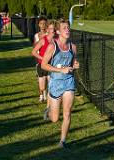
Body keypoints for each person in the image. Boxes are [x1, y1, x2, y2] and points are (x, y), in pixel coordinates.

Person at [41, 18, 80, 149]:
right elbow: (43, 65)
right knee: (55, 119)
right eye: (64, 28)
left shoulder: (73, 47)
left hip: (69, 82)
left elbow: (73, 62)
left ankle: (62, 141)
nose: (67, 30)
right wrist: (60, 69)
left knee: (68, 113)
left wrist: (75, 64)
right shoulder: (53, 46)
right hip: (55, 83)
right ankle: (49, 110)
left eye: (68, 27)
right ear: (58, 31)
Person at [32, 20, 56, 119]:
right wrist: (42, 58)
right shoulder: (43, 40)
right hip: (41, 65)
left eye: (54, 29)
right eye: (50, 29)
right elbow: (33, 52)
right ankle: (43, 93)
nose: (52, 31)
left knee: (51, 86)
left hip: (51, 66)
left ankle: (49, 107)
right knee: (42, 87)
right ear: (47, 30)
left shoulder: (56, 40)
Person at [33, 16, 48, 102]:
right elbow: (34, 47)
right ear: (38, 25)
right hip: (39, 59)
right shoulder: (36, 35)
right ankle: (41, 95)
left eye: (44, 24)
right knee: (40, 77)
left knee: (46, 77)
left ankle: (45, 93)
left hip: (48, 59)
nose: (43, 25)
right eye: (41, 24)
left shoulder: (49, 34)